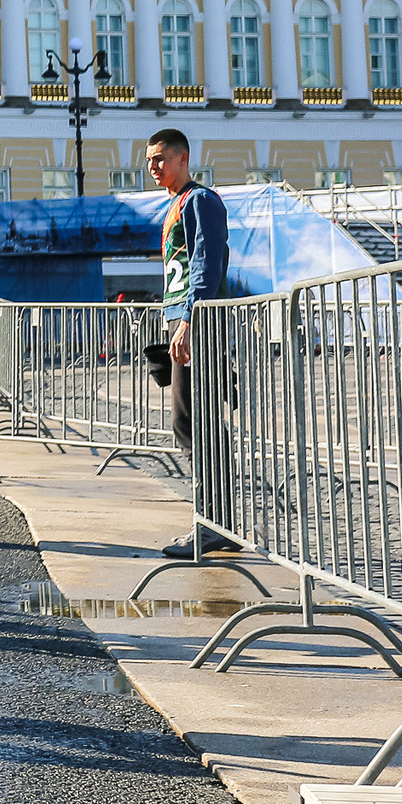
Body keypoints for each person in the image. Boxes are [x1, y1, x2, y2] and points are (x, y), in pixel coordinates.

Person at [147, 128, 236, 560]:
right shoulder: (177, 204)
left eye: (160, 158)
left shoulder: (201, 200)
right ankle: (218, 521)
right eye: (149, 160)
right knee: (192, 420)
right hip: (185, 322)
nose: (152, 167)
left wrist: (187, 320)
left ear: (183, 158)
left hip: (199, 324)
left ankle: (214, 523)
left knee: (195, 421)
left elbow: (205, 261)